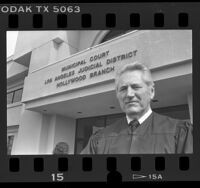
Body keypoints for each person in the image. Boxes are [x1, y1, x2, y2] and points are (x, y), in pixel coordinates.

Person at [80, 62, 193, 154]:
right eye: (123, 89)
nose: (129, 94)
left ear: (152, 91)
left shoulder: (180, 133)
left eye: (136, 87)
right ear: (117, 95)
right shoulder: (99, 139)